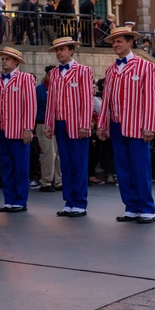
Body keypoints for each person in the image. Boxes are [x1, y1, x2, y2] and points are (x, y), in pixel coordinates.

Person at [97, 26, 155, 223]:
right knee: (122, 168)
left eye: (119, 41)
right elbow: (105, 99)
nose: (115, 44)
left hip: (138, 125)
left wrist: (149, 125)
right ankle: (131, 207)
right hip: (116, 124)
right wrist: (102, 125)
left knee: (141, 167)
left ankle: (147, 208)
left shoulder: (145, 66)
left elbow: (150, 98)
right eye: (114, 42)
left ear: (130, 42)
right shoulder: (111, 70)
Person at [45, 37, 94, 217]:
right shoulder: (54, 73)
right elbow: (51, 101)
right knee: (65, 163)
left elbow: (87, 100)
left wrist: (84, 123)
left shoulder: (83, 71)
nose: (59, 53)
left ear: (71, 51)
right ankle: (69, 201)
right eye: (57, 50)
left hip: (77, 123)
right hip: (60, 122)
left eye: (63, 49)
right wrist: (49, 123)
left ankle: (80, 202)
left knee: (79, 163)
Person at [0, 47, 36, 214]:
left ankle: (20, 200)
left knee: (21, 166)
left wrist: (28, 128)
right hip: (3, 129)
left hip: (19, 130)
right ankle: (9, 199)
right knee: (6, 166)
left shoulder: (25, 78)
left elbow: (30, 105)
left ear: (16, 62)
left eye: (8, 59)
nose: (4, 61)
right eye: (3, 58)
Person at [35, 65, 61, 193]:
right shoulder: (39, 89)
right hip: (43, 123)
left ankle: (58, 181)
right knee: (48, 154)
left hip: (56, 124)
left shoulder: (57, 88)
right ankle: (46, 181)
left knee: (58, 155)